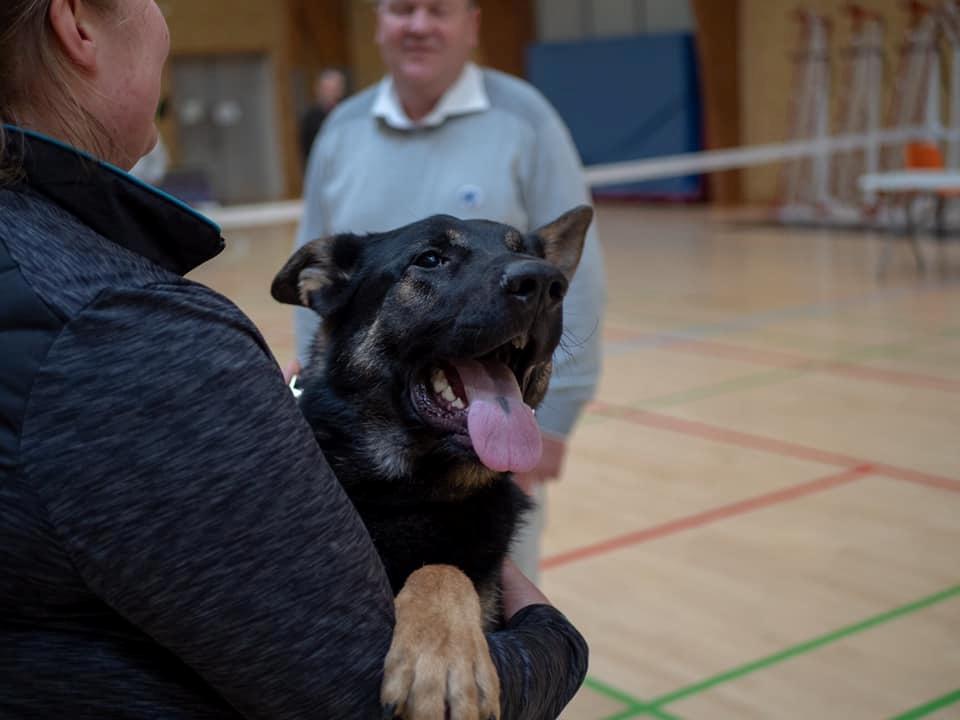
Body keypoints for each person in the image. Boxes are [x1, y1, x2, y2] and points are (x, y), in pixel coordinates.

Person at [0, 0, 588, 717]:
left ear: (472, 22)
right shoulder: (126, 327)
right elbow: (349, 694)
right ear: (76, 24)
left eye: (440, 7)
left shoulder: (49, 271)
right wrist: (554, 640)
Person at [295, 0, 606, 583]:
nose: (418, 25)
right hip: (366, 436)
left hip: (492, 432)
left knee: (495, 623)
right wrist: (310, 379)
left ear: (472, 25)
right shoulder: (342, 130)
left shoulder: (526, 117)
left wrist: (554, 421)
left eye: (438, 9)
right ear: (378, 23)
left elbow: (569, 280)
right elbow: (322, 272)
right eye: (402, 9)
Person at [298, 67, 348, 166]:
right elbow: (307, 150)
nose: (333, 93)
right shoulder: (311, 118)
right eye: (328, 89)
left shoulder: (349, 111)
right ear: (319, 90)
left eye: (336, 88)